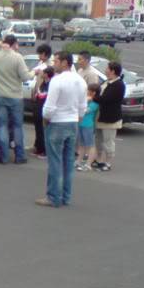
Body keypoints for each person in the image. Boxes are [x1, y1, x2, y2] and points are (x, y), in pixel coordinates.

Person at [36, 51, 87, 207]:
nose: (54, 64)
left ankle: (53, 196)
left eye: (56, 61)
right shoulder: (80, 81)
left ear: (65, 62)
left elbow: (49, 108)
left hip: (57, 122)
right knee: (68, 161)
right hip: (72, 123)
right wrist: (76, 118)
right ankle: (65, 196)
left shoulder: (57, 81)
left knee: (55, 162)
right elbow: (82, 107)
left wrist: (45, 120)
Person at [0, 35, 35, 164]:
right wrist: (34, 72)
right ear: (14, 44)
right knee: (17, 127)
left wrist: (0, 44)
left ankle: (4, 156)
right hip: (15, 97)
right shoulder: (17, 57)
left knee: (2, 126)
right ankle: (19, 156)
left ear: (4, 42)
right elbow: (25, 77)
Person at [93, 61, 126, 172]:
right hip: (100, 116)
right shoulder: (107, 82)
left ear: (112, 71)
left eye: (107, 68)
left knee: (108, 141)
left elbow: (106, 99)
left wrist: (92, 97)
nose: (105, 70)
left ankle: (108, 162)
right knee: (98, 140)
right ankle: (99, 160)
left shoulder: (119, 85)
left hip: (111, 118)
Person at [31, 44, 53, 158]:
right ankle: (37, 145)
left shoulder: (48, 66)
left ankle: (42, 148)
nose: (39, 56)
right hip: (38, 95)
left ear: (45, 54)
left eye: (40, 53)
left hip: (43, 99)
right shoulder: (40, 64)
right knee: (37, 125)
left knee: (42, 125)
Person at [75, 83, 100, 171]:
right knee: (81, 144)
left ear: (93, 92)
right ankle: (78, 161)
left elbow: (84, 111)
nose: (87, 92)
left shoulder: (95, 103)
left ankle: (88, 164)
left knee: (90, 145)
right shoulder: (87, 100)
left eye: (89, 90)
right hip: (81, 124)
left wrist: (85, 101)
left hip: (88, 125)